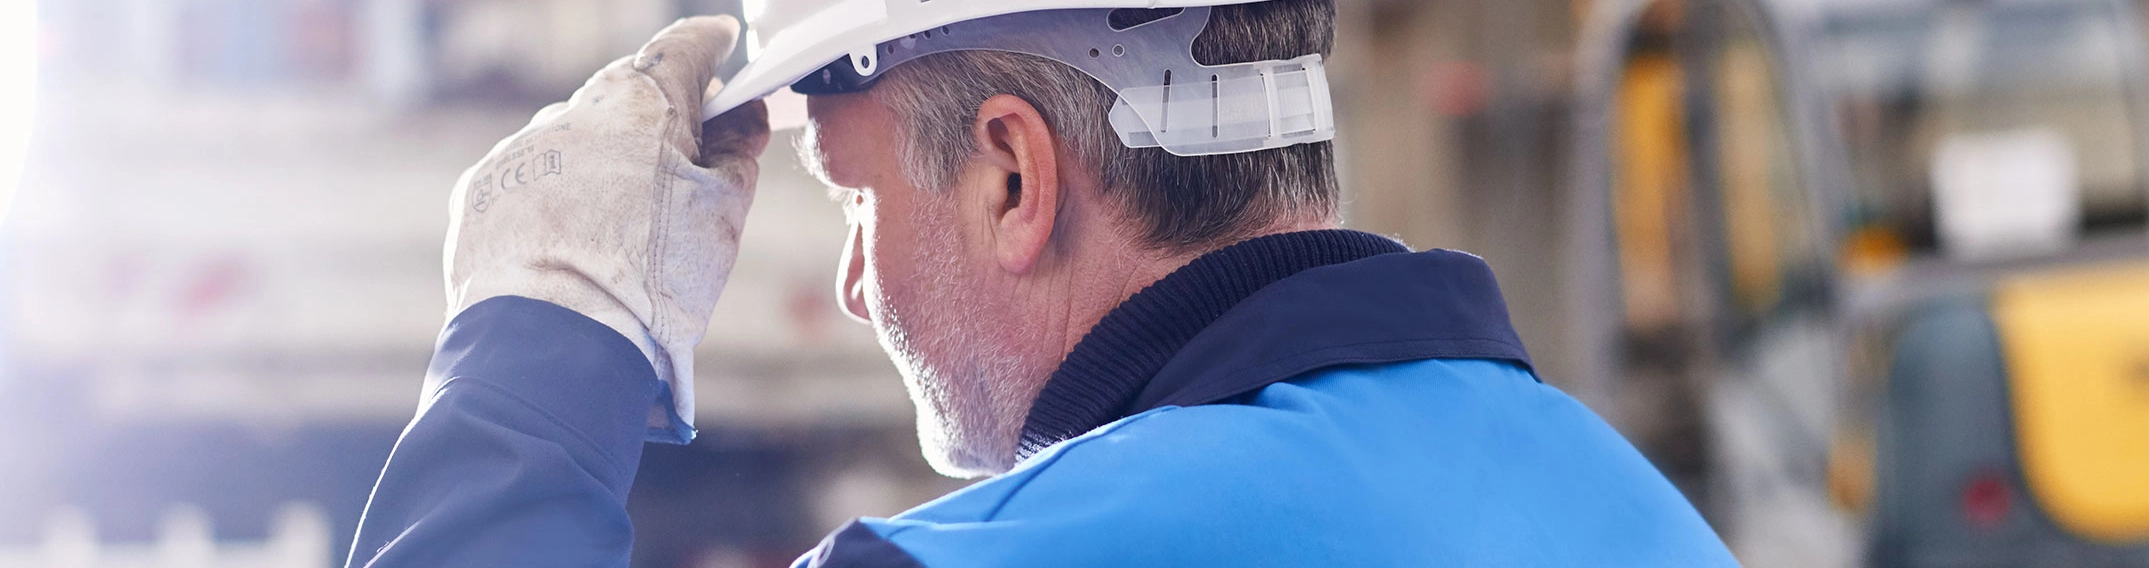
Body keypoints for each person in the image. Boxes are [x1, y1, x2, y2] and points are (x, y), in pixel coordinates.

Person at [345, 1, 1738, 566]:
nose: (848, 282)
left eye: (855, 197)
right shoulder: (1631, 511)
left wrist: (536, 353)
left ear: (1013, 177)